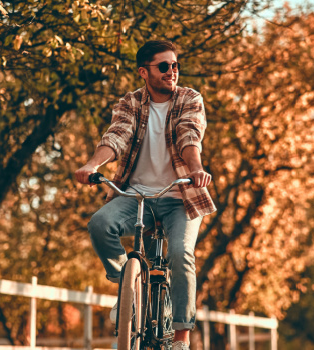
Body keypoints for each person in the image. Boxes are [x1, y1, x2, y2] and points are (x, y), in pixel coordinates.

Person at [74, 40, 215, 350]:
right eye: (163, 66)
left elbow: (189, 134)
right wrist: (91, 164)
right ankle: (128, 290)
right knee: (100, 224)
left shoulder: (189, 98)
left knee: (180, 253)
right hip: (137, 198)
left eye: (175, 65)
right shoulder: (131, 103)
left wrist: (196, 169)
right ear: (144, 72)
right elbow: (116, 137)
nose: (171, 71)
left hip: (180, 196)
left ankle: (180, 338)